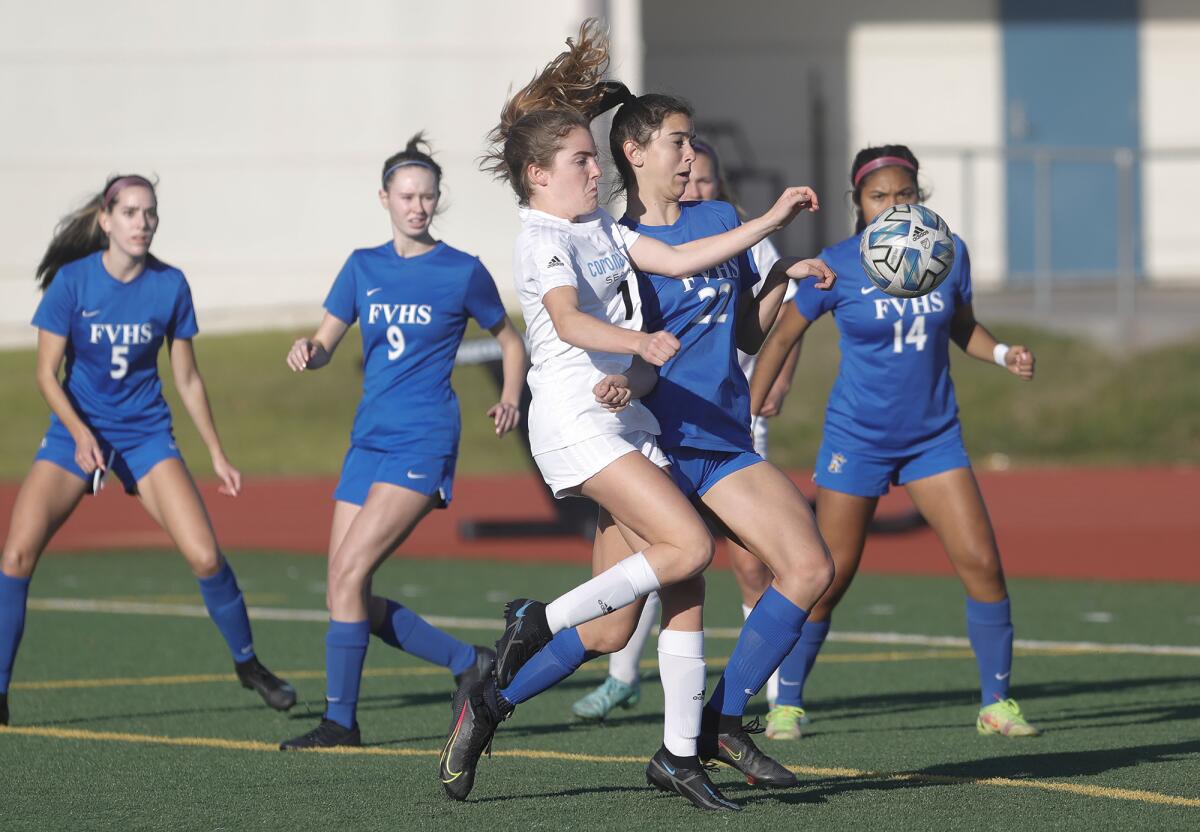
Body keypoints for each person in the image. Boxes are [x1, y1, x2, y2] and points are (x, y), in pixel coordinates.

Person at [438, 20, 819, 811]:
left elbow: (704, 284)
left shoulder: (616, 229)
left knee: (627, 620)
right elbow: (573, 321)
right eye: (677, 142)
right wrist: (639, 350)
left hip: (641, 426)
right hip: (611, 427)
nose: (691, 156)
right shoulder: (551, 238)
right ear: (630, 153)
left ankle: (522, 709)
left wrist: (774, 241)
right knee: (688, 556)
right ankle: (544, 636)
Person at [749, 144, 1040, 739]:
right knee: (828, 579)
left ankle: (996, 705)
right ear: (858, 203)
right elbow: (781, 337)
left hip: (934, 437)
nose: (893, 204)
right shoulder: (837, 263)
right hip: (857, 440)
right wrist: (746, 407)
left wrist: (1004, 352)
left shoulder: (947, 252)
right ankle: (787, 704)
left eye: (904, 194)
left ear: (919, 197)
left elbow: (962, 325)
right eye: (879, 196)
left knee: (982, 563)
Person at [0, 175, 295, 728]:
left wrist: (216, 453)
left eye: (149, 213)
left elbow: (186, 378)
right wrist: (83, 435)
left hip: (145, 436)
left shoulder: (170, 285)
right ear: (106, 220)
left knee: (206, 556)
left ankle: (249, 664)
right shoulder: (72, 283)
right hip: (74, 434)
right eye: (131, 212)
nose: (142, 222)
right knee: (15, 557)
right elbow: (45, 375)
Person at [279, 135, 527, 750]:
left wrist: (512, 395)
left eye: (428, 197)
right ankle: (467, 661)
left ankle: (342, 723)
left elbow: (510, 338)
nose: (418, 206)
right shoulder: (363, 266)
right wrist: (308, 352)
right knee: (344, 584)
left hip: (423, 441)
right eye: (407, 196)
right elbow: (325, 342)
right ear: (385, 198)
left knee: (351, 569)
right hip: (367, 443)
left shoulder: (461, 269)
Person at [570, 137, 803, 724]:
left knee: (780, 567)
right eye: (678, 151)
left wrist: (780, 275)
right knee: (621, 616)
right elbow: (611, 333)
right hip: (656, 436)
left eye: (700, 171)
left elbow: (757, 329)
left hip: (727, 429)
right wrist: (628, 378)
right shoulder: (621, 243)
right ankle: (521, 673)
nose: (691, 176)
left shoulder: (729, 223)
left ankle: (732, 721)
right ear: (638, 155)